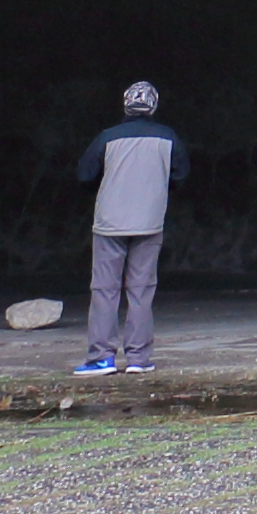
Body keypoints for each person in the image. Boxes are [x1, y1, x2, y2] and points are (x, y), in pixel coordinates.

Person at [76, 81, 180, 376]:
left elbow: (85, 175)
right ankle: (138, 359)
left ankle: (101, 357)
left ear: (125, 104)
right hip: (149, 222)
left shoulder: (107, 137)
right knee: (141, 291)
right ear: (154, 106)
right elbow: (181, 174)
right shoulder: (168, 137)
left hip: (110, 223)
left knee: (104, 290)